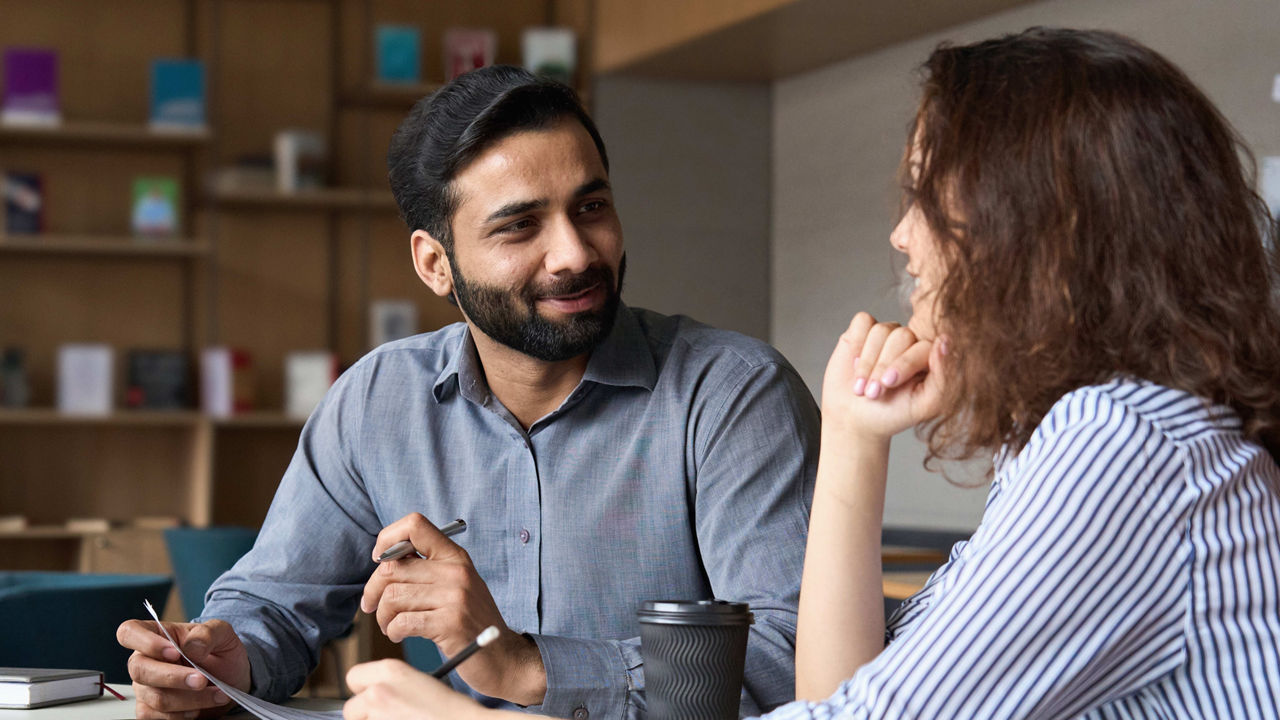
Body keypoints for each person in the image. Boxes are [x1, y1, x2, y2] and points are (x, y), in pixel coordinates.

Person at [336, 27, 1280, 720]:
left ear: (1032, 225)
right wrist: (857, 437)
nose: (902, 237)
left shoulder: (1124, 447)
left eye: (926, 197)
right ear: (434, 262)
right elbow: (845, 696)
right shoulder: (1105, 442)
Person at [116, 65, 820, 720]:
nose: (575, 252)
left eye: (592, 206)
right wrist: (227, 656)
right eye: (520, 226)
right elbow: (275, 597)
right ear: (435, 264)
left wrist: (530, 668)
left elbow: (802, 661)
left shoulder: (735, 394)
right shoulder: (378, 400)